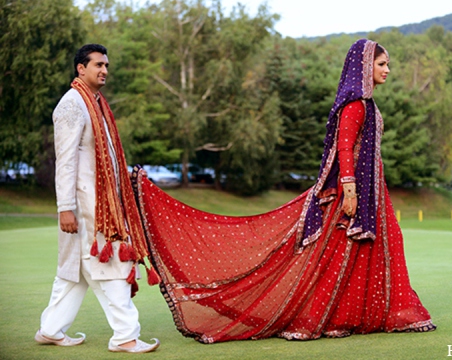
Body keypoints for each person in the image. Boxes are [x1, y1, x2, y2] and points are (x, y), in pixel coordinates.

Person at [135, 38, 435, 342]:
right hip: (352, 193)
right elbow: (344, 148)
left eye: (387, 65)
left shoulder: (368, 105)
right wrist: (350, 190)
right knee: (332, 255)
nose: (388, 70)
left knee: (363, 250)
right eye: (382, 64)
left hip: (371, 192)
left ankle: (345, 318)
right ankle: (322, 317)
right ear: (363, 67)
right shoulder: (356, 106)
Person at [35, 44, 160, 353]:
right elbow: (64, 161)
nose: (104, 70)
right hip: (87, 207)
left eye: (106, 66)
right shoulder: (72, 104)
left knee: (74, 272)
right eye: (98, 65)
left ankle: (50, 330)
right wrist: (65, 208)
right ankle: (125, 337)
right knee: (111, 265)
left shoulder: (97, 104)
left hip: (99, 203)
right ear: (81, 68)